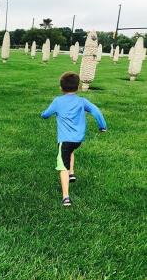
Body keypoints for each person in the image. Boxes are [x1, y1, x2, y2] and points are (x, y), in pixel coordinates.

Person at [41, 72, 107, 207]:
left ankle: (66, 197)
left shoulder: (58, 101)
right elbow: (96, 111)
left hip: (65, 140)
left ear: (61, 88)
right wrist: (102, 127)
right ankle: (72, 173)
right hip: (78, 140)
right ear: (77, 87)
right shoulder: (82, 101)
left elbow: (46, 114)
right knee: (71, 151)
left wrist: (43, 114)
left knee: (62, 166)